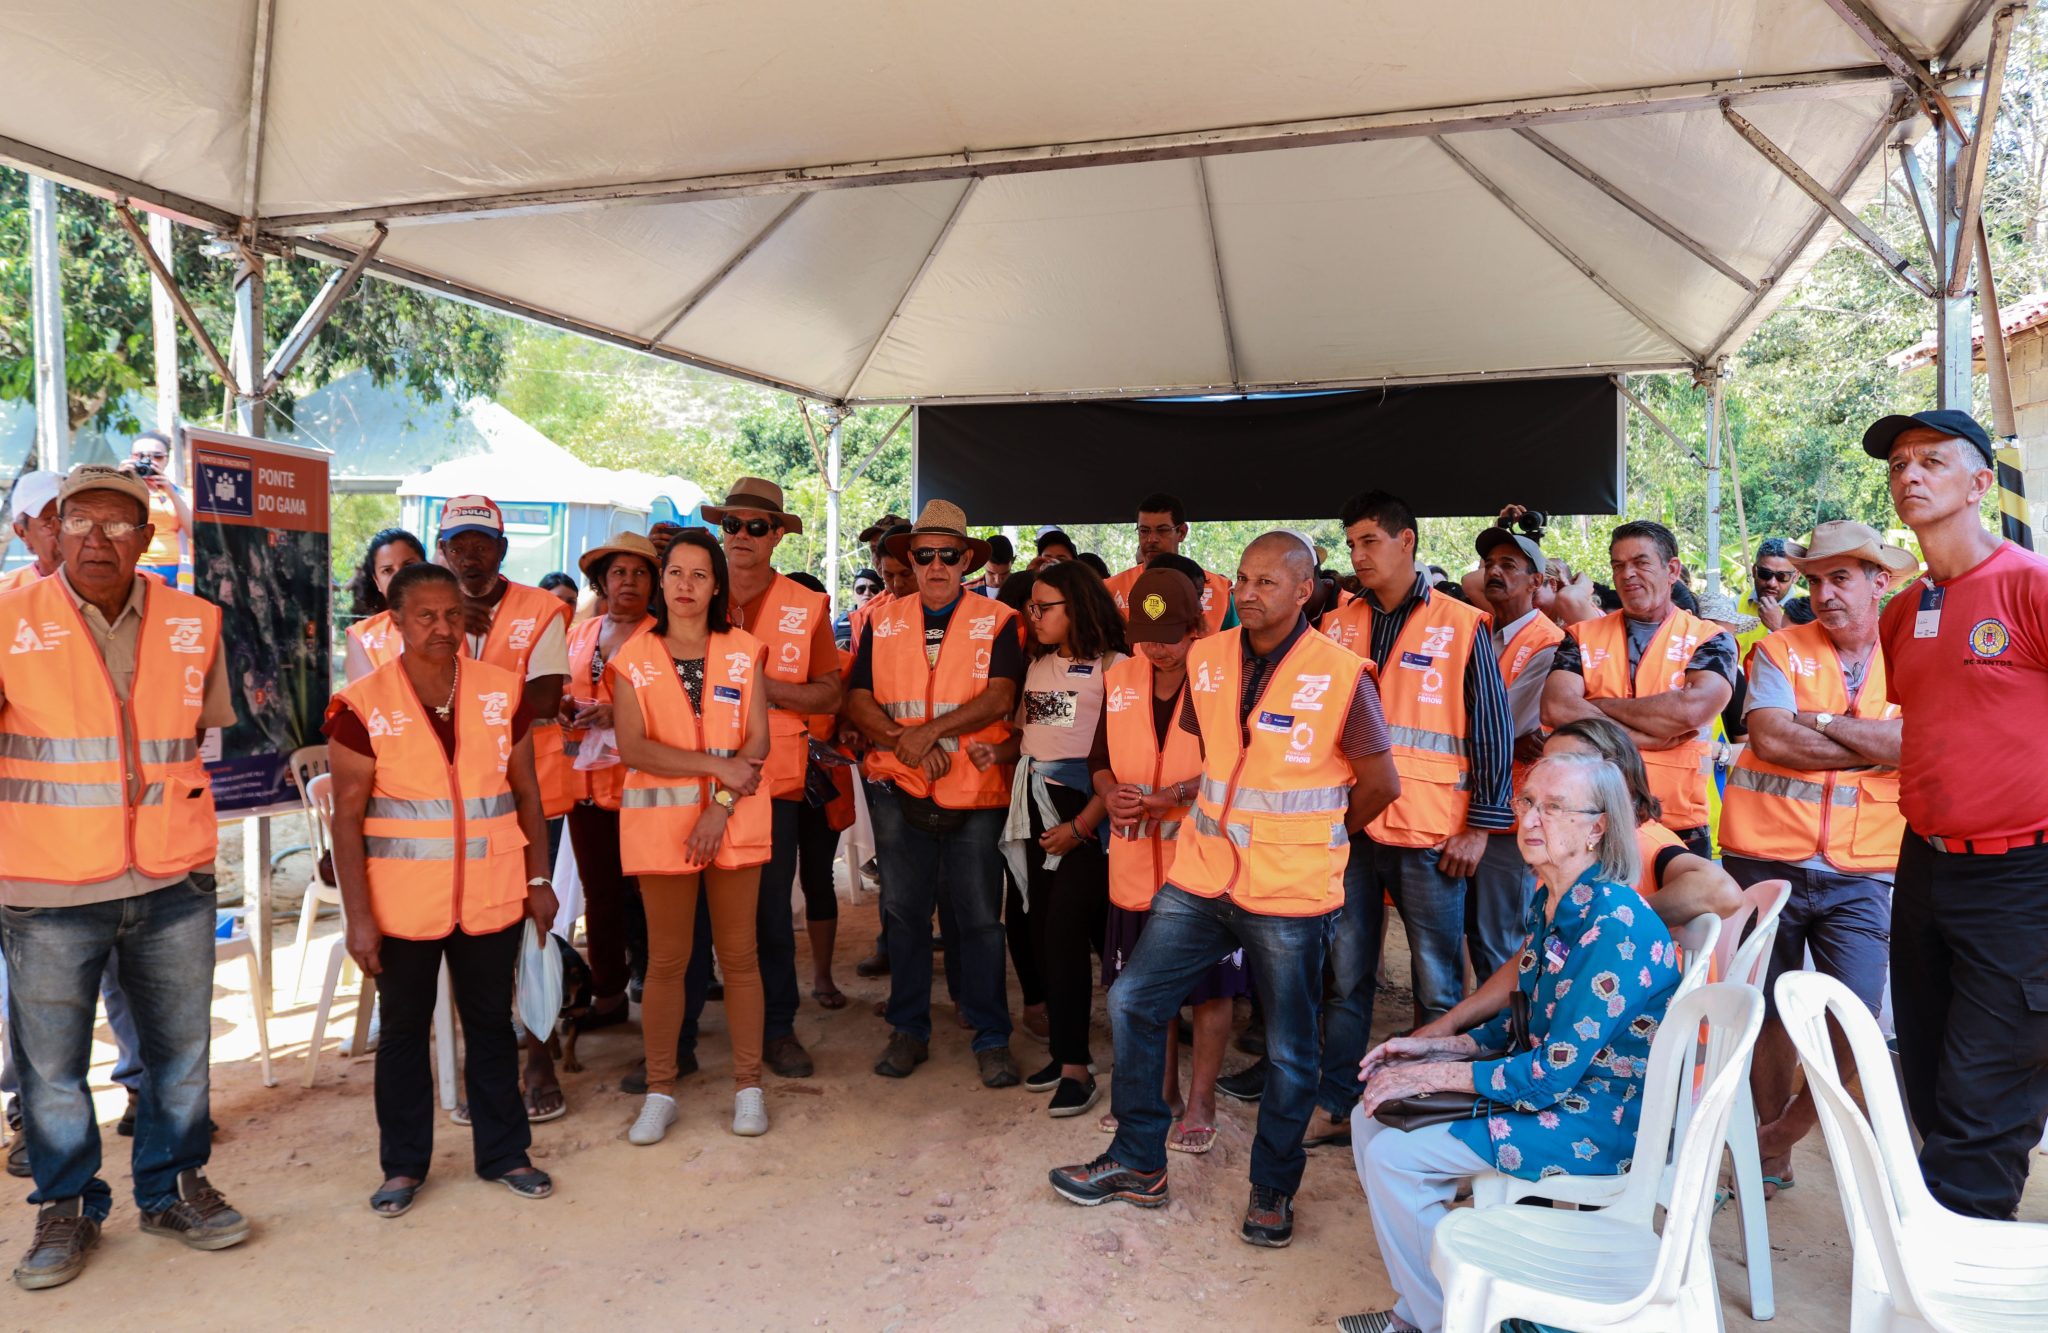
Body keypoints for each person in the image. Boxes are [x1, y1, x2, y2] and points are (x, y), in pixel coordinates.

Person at [1049, 532, 1399, 1249]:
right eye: (1243, 577)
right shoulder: (1209, 658)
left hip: (1288, 893)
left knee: (1294, 1052)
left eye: (1269, 580)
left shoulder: (1340, 673)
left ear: (1305, 590)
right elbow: (1215, 755)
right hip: (1201, 875)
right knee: (1133, 997)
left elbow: (1380, 786)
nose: (1250, 590)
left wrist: (1322, 837)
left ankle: (1272, 1189)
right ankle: (1140, 1159)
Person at [0, 464, 248, 1289]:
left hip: (172, 879)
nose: (96, 539)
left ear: (147, 538)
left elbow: (196, 739)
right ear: (51, 531)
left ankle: (175, 1187)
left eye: (117, 524)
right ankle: (66, 1207)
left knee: (180, 1056)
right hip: (47, 885)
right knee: (51, 1068)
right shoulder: (6, 618)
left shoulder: (194, 621)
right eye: (79, 522)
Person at [1339, 753, 1681, 1333]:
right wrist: (1433, 1050)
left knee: (1396, 1159)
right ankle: (1436, 1312)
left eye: (1553, 808)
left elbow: (1549, 1075)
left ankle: (1437, 1318)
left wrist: (1433, 1077)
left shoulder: (1613, 922)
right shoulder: (1557, 903)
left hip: (1596, 1121)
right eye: (1527, 803)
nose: (1530, 820)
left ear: (1597, 827)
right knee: (1369, 1117)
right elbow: (1514, 1026)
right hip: (1555, 1096)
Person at [324, 562, 560, 1217]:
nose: (441, 626)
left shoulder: (499, 691)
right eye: (425, 615)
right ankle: (402, 1166)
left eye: (453, 614)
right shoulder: (362, 704)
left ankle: (505, 1152)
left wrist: (539, 878)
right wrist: (359, 916)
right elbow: (347, 816)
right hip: (402, 906)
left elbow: (528, 794)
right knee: (402, 1033)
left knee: (490, 1023)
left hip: (493, 891)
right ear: (393, 622)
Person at [1866, 408, 2048, 1221]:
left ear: (1981, 483)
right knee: (1931, 1076)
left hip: (2024, 873)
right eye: (1900, 462)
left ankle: (1964, 1272)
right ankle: (1951, 1257)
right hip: (1927, 863)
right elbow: (1940, 728)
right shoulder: (1903, 612)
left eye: (1933, 460)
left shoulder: (2029, 585)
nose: (1910, 474)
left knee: (1985, 1096)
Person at [1305, 491, 1510, 1150]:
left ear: (1406, 542)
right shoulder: (1336, 624)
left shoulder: (1462, 622)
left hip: (1432, 835)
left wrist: (1479, 824)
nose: (1358, 554)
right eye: (1352, 542)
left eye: (1369, 540)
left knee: (1437, 982)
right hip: (1352, 828)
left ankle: (1428, 1103)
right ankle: (1336, 1098)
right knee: (1347, 973)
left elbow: (1491, 733)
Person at [1719, 519, 1912, 1196]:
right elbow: (1771, 739)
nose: (1823, 592)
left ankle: (1784, 1131)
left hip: (1865, 868)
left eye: (1841, 577)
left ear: (1878, 581)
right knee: (1765, 1008)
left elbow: (1919, 742)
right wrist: (1876, 742)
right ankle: (1772, 1158)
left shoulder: (1912, 652)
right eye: (1815, 579)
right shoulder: (1777, 648)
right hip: (1763, 857)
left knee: (1855, 1017)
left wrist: (1823, 722)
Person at [844, 500, 1027, 1087]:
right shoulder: (882, 619)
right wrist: (905, 741)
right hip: (901, 787)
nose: (937, 565)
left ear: (967, 560)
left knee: (978, 919)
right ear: (911, 561)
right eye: (925, 556)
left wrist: (931, 733)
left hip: (974, 793)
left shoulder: (998, 620)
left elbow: (1001, 697)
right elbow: (858, 699)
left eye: (949, 555)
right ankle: (909, 1027)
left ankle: (990, 1032)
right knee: (902, 912)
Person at [611, 529, 773, 1143]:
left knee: (740, 958)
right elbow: (634, 746)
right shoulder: (633, 656)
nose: (685, 586)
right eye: (675, 573)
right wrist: (714, 769)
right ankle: (660, 1090)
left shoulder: (743, 650)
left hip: (731, 824)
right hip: (661, 831)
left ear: (715, 584)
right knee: (667, 962)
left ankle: (748, 1087)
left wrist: (720, 805)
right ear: (662, 580)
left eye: (699, 575)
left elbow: (755, 742)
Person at [1091, 567, 1247, 1153]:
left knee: (1209, 989)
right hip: (1134, 862)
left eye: (1170, 636)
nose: (1156, 649)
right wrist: (1110, 793)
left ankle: (1202, 1099)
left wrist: (1173, 797)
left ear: (1199, 627)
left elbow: (1237, 767)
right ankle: (1162, 1094)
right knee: (1141, 988)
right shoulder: (1121, 675)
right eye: (1145, 636)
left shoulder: (1224, 679)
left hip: (1202, 863)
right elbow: (1098, 756)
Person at [975, 561, 1126, 1116]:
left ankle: (1076, 1069)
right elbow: (1031, 736)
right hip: (1034, 809)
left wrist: (1083, 826)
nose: (1032, 616)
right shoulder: (1039, 666)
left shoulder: (1117, 668)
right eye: (1030, 607)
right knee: (1041, 929)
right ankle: (1067, 1051)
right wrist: (1000, 753)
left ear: (1079, 607)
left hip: (1088, 817)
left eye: (1044, 608)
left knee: (1064, 933)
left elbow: (1120, 762)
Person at [706, 478, 843, 1079]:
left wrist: (763, 687)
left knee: (769, 915)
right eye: (731, 524)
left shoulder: (806, 606)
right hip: (696, 777)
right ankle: (682, 1036)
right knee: (690, 914)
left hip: (773, 785)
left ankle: (779, 1028)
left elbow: (829, 692)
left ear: (778, 536)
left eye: (756, 526)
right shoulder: (690, 596)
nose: (740, 535)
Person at [1541, 519, 1737, 858]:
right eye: (1618, 565)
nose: (1627, 574)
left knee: (1676, 912)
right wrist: (1643, 736)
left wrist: (1597, 704)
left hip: (1676, 823)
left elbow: (1691, 710)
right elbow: (1556, 707)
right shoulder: (1581, 635)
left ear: (1672, 569)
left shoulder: (1711, 638)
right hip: (1591, 817)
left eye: (1640, 562)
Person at [561, 533, 662, 1043]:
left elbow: (679, 713)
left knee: (650, 892)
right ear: (601, 581)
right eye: (619, 573)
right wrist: (566, 708)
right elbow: (562, 687)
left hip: (645, 786)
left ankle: (663, 994)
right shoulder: (579, 635)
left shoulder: (665, 637)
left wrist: (618, 717)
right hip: (585, 783)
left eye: (640, 573)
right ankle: (608, 994)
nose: (629, 582)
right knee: (599, 893)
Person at [436, 496, 577, 825]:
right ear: (442, 550)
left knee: (530, 876)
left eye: (481, 547)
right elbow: (411, 692)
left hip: (527, 785)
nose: (470, 560)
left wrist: (452, 696)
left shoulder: (542, 609)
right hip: (447, 781)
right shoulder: (427, 614)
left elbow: (544, 701)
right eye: (458, 549)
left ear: (502, 549)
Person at [1469, 512, 1563, 985]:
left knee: (1499, 939)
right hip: (1467, 803)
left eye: (1509, 563)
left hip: (1509, 813)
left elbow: (1506, 723)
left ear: (1537, 581)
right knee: (1470, 933)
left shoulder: (1547, 642)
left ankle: (1510, 1040)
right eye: (1489, 561)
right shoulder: (1477, 629)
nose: (1494, 571)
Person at [1543, 719, 1741, 922]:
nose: (1546, 777)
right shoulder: (1562, 838)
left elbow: (1722, 891)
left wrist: (1615, 918)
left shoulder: (1644, 839)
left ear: (1616, 777)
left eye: (1568, 767)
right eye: (1544, 765)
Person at [1103, 493, 1236, 634]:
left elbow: (1234, 646)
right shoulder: (1111, 589)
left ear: (1182, 532)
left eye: (1162, 530)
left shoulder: (1220, 591)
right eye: (1144, 531)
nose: (1151, 539)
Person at [342, 528, 427, 682]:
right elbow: (365, 700)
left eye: (408, 565)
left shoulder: (456, 625)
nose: (400, 576)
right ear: (377, 582)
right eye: (387, 570)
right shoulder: (362, 637)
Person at [119, 432, 191, 585]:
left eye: (157, 457)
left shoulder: (179, 493)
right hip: (131, 564)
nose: (148, 462)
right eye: (140, 456)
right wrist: (119, 480)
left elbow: (193, 531)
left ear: (167, 459)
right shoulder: (121, 489)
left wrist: (169, 490)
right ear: (130, 458)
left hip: (172, 567)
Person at [0, 470, 61, 592]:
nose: (67, 532)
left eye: (77, 521)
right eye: (49, 524)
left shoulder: (109, 586)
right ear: (22, 532)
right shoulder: (6, 596)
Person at [1744, 537, 1814, 640]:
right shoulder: (1734, 606)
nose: (1772, 583)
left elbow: (1811, 653)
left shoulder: (1809, 610)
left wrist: (1778, 627)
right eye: (1765, 573)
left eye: (1782, 576)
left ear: (1795, 577)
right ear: (1754, 571)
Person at [835, 567, 882, 645]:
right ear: (853, 593)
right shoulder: (840, 621)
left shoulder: (888, 619)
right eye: (861, 589)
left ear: (882, 593)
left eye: (874, 589)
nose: (867, 593)